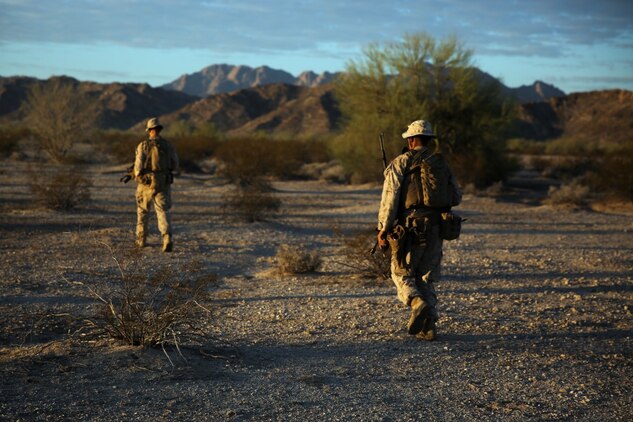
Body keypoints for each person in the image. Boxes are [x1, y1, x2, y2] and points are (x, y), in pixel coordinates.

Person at [377, 119, 462, 340]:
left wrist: (383, 228)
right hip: (437, 225)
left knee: (401, 272)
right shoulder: (440, 163)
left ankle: (416, 302)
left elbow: (390, 198)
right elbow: (456, 196)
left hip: (411, 226)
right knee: (426, 275)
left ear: (411, 139)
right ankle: (430, 326)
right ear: (429, 140)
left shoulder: (401, 162)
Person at [134, 117, 180, 252]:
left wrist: (138, 176)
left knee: (142, 211)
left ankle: (141, 240)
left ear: (149, 130)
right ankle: (167, 239)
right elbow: (176, 166)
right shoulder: (168, 145)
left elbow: (138, 167)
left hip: (146, 184)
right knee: (162, 211)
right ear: (159, 129)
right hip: (163, 182)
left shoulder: (143, 145)